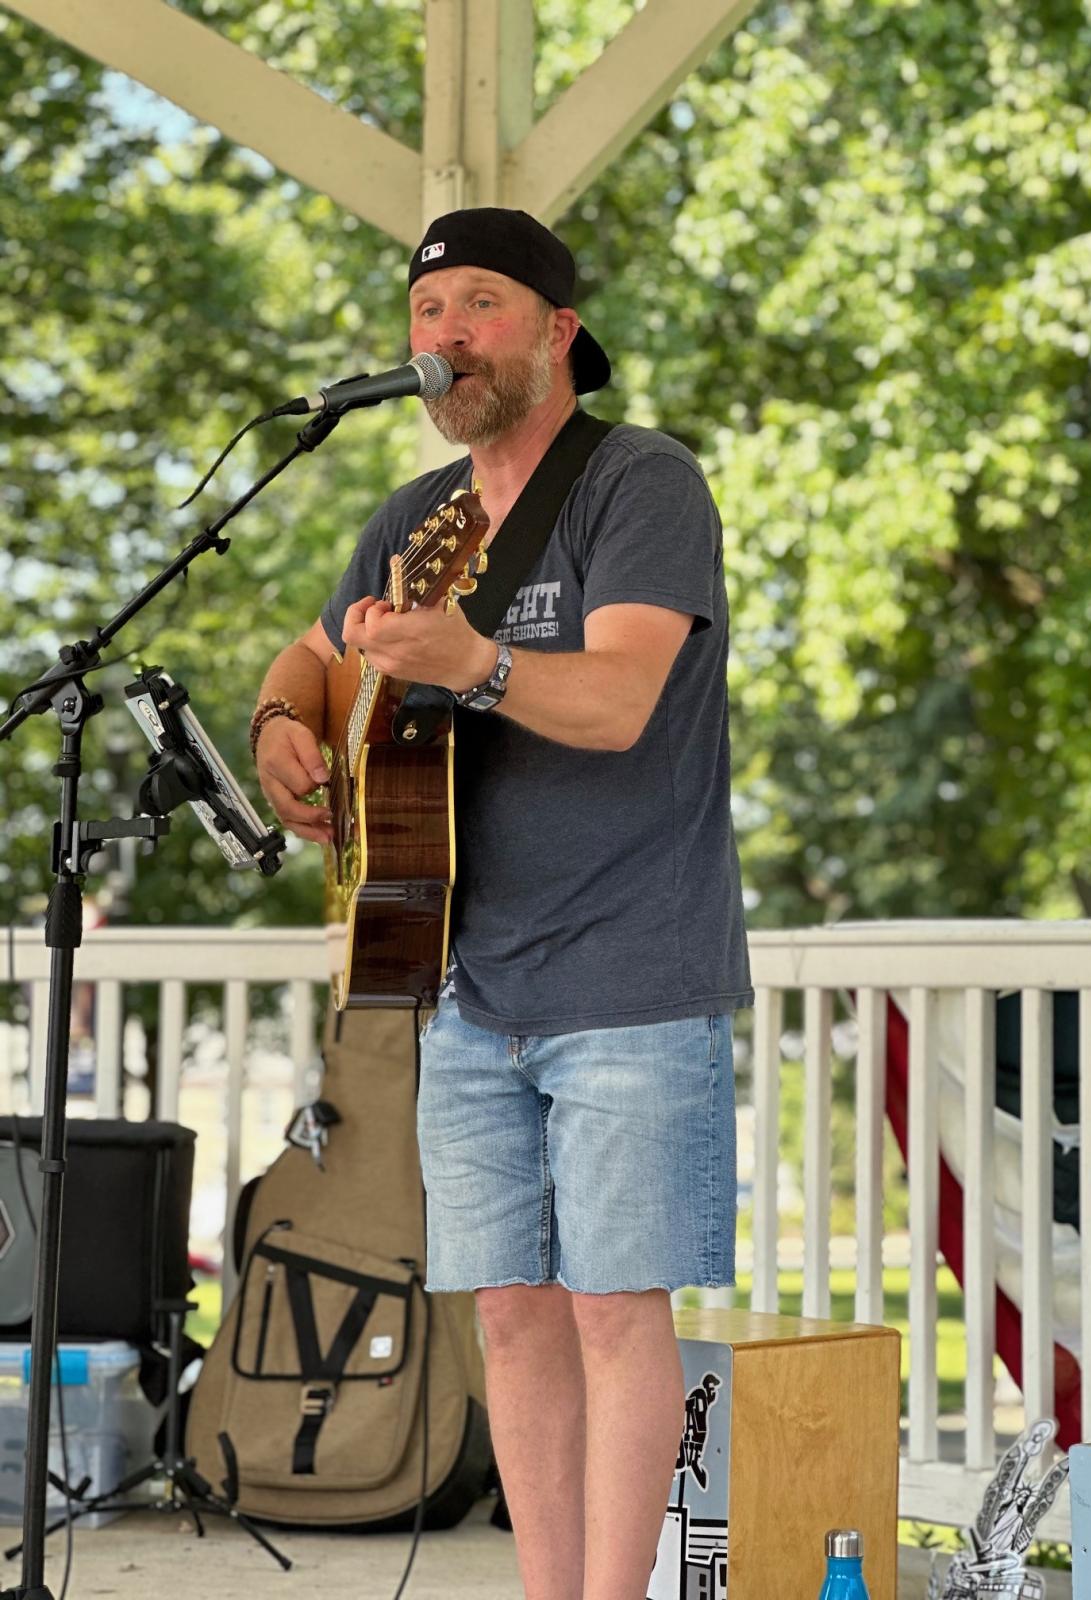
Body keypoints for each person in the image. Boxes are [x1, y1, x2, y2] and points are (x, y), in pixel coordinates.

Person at [251, 206, 752, 1600]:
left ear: (556, 332)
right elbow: (309, 658)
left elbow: (619, 700)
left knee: (611, 1314)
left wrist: (469, 660)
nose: (445, 336)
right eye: (426, 312)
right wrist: (279, 724)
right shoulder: (416, 519)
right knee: (516, 1323)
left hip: (631, 979)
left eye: (479, 305)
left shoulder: (638, 481)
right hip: (462, 981)